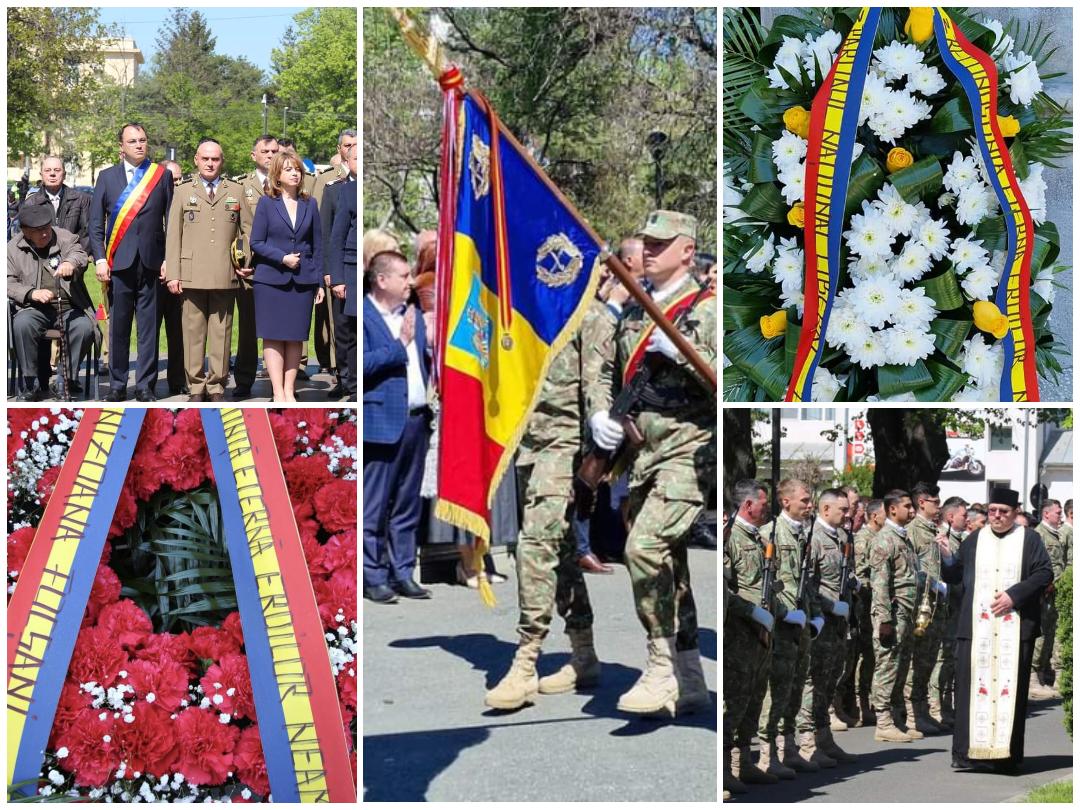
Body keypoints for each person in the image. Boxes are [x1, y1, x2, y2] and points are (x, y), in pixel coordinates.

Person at [587, 210, 714, 718]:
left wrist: (685, 353)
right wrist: (601, 411)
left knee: (643, 548)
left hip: (689, 448)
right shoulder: (636, 311)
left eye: (663, 244)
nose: (651, 251)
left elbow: (724, 383)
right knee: (672, 566)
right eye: (648, 243)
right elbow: (608, 372)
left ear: (688, 250)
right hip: (642, 454)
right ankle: (691, 677)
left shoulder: (707, 310)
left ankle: (659, 666)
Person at [483, 297, 614, 710]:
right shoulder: (518, 302)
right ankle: (584, 652)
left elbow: (599, 378)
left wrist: (599, 418)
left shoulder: (588, 310)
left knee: (534, 544)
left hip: (567, 443)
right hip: (527, 441)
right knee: (558, 550)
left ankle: (526, 658)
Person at [936, 487, 1053, 773]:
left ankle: (1005, 758)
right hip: (978, 630)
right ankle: (968, 755)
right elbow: (955, 576)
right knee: (970, 691)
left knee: (1010, 692)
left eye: (1003, 512)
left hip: (1015, 629)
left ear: (1015, 513)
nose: (997, 517)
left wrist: (1015, 595)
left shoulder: (1030, 539)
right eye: (992, 512)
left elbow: (1044, 573)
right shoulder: (975, 539)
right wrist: (947, 556)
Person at [363, 250, 431, 603]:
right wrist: (398, 346)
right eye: (404, 276)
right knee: (374, 503)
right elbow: (358, 366)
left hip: (416, 420)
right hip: (380, 422)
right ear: (382, 280)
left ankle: (402, 570)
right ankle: (372, 575)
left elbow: (424, 362)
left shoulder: (413, 314)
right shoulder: (363, 316)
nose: (411, 282)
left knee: (407, 503)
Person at [89, 122, 173, 401]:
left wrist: (169, 259)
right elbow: (95, 225)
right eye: (133, 141)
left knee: (149, 328)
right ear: (121, 147)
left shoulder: (160, 176)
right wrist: (100, 259)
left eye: (143, 140)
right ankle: (117, 385)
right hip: (118, 263)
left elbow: (171, 221)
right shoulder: (106, 177)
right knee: (119, 327)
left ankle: (145, 385)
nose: (139, 145)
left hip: (152, 262)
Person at [165, 138, 252, 403]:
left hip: (225, 273)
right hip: (191, 273)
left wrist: (244, 262)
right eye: (205, 158)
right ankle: (195, 387)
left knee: (221, 333)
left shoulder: (235, 191)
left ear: (221, 161)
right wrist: (173, 273)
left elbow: (248, 231)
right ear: (196, 160)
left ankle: (216, 386)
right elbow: (173, 236)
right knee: (192, 333)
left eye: (215, 159)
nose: (210, 163)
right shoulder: (182, 191)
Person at [755, 478, 819, 779]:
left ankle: (788, 747)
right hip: (781, 627)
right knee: (776, 690)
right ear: (786, 502)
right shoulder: (771, 534)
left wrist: (814, 614)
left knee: (795, 688)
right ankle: (767, 754)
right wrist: (783, 614)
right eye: (804, 500)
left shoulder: (802, 534)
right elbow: (764, 585)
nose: (810, 505)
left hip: (800, 625)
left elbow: (807, 583)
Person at [249, 149, 325, 402]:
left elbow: (317, 246)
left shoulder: (309, 204)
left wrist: (319, 282)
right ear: (277, 174)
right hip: (271, 280)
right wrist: (282, 257)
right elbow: (256, 242)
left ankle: (290, 390)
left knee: (295, 337)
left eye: (297, 170)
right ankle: (277, 391)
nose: (294, 174)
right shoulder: (266, 203)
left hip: (302, 281)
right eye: (289, 169)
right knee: (272, 336)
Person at [8, 201, 97, 400]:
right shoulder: (12, 249)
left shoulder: (64, 237)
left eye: (47, 228)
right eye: (38, 230)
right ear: (25, 231)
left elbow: (79, 254)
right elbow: (7, 282)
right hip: (33, 308)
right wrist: (31, 293)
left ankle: (65, 380)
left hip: (69, 306)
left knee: (84, 328)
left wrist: (70, 262)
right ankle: (31, 383)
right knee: (22, 324)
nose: (45, 233)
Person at [796, 489, 857, 767]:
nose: (848, 514)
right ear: (825, 510)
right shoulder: (813, 539)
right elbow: (806, 585)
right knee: (813, 682)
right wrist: (829, 607)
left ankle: (824, 738)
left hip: (839, 626)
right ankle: (807, 743)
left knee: (830, 680)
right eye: (843, 510)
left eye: (848, 509)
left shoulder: (843, 537)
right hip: (822, 622)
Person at [722, 479, 774, 796]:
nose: (767, 507)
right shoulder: (731, 538)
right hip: (739, 635)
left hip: (761, 633)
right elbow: (728, 588)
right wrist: (752, 613)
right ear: (748, 505)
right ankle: (724, 769)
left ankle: (744, 763)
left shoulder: (758, 538)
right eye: (763, 503)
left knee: (754, 698)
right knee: (735, 701)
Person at [868, 489, 921, 743]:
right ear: (892, 510)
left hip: (906, 613)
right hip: (892, 613)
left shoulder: (903, 538)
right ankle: (883, 721)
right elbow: (880, 583)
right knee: (887, 666)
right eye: (907, 506)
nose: (912, 511)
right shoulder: (884, 540)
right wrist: (885, 620)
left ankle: (897, 719)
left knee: (900, 667)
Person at [232, 134, 280, 397]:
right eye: (265, 151)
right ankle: (244, 379)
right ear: (254, 155)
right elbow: (239, 229)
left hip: (281, 266)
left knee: (279, 328)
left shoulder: (289, 182)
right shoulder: (242, 186)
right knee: (248, 328)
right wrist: (242, 263)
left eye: (275, 150)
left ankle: (280, 384)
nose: (271, 155)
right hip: (251, 269)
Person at [904, 482, 947, 736]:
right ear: (922, 503)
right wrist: (931, 584)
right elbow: (911, 570)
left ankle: (922, 710)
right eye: (934, 502)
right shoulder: (913, 531)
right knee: (916, 661)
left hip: (936, 606)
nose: (938, 506)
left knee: (928, 660)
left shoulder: (935, 531)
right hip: (921, 605)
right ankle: (911, 714)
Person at [312, 129, 356, 378]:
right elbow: (326, 232)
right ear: (341, 151)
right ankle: (343, 376)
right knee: (340, 326)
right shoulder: (331, 185)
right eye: (348, 145)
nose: (352, 149)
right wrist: (327, 270)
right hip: (340, 268)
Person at [936, 495, 969, 726]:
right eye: (963, 515)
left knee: (952, 660)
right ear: (950, 516)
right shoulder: (941, 538)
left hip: (959, 608)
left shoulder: (960, 539)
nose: (967, 519)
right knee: (942, 659)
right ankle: (937, 707)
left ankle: (948, 706)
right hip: (946, 609)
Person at [852, 497, 885, 727]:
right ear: (875, 516)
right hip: (865, 604)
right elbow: (861, 574)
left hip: (876, 604)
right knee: (864, 656)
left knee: (873, 657)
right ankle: (859, 703)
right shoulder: (863, 539)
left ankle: (868, 702)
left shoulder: (880, 537)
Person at [328, 145, 357, 401]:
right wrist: (336, 277)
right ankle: (351, 385)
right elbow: (335, 238)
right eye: (357, 158)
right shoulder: (346, 191)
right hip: (350, 269)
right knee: (348, 331)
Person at [158, 159, 188, 397]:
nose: (174, 184)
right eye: (170, 180)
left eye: (177, 179)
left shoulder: (188, 198)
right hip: (154, 276)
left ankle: (178, 379)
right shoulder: (153, 200)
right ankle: (147, 380)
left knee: (179, 331)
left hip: (182, 276)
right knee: (150, 333)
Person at [1031, 498, 1066, 698]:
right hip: (1044, 592)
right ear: (1046, 514)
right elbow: (1037, 563)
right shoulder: (1039, 534)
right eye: (1057, 513)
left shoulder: (1057, 534)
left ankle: (1042, 675)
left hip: (1055, 591)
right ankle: (1033, 678)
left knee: (1050, 635)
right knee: (1041, 634)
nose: (1059, 516)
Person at [24, 157, 91, 254]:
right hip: (40, 261)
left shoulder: (81, 200)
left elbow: (86, 234)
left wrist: (76, 259)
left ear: (64, 175)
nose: (52, 174)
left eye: (57, 170)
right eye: (47, 170)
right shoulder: (30, 203)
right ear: (41, 175)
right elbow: (27, 236)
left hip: (72, 260)